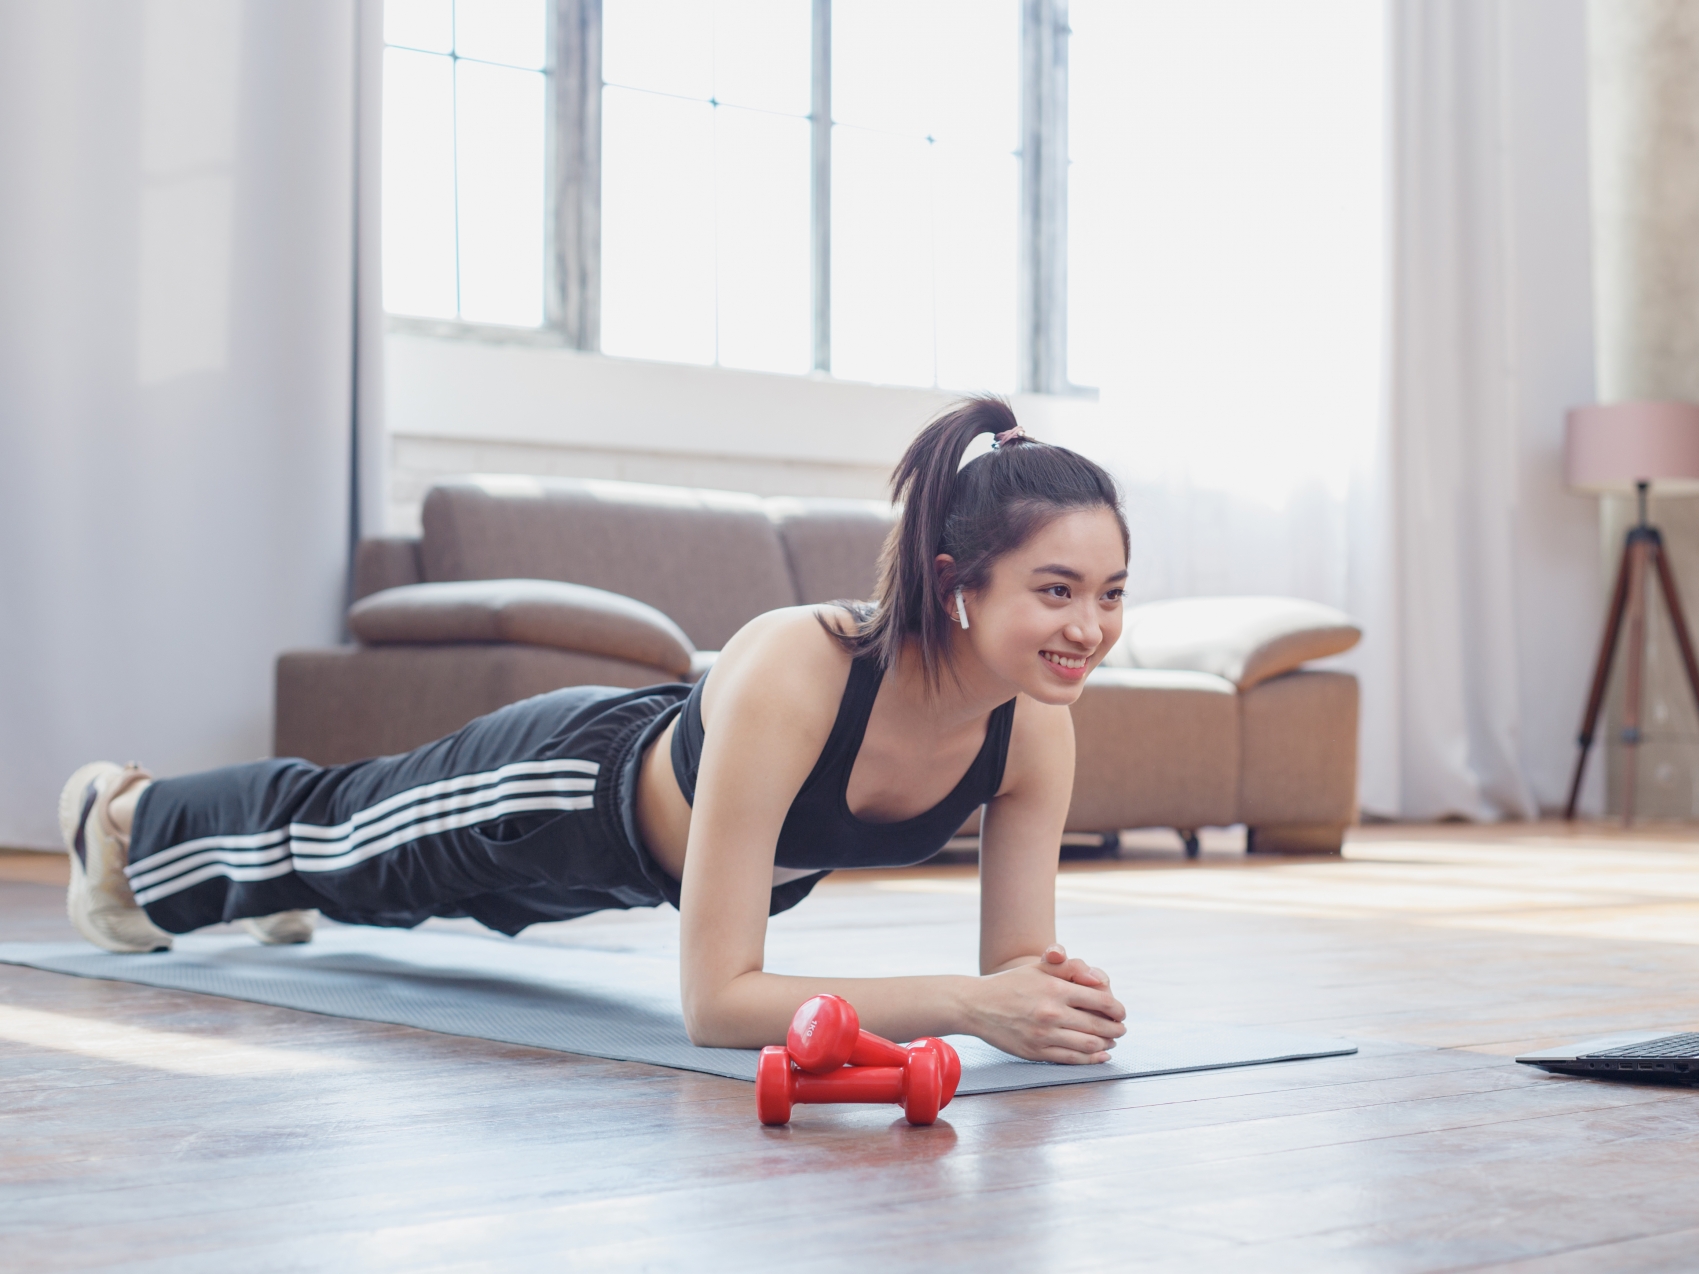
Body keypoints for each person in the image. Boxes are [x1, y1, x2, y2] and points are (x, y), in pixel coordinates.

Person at [58, 398, 1131, 1064]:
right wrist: (966, 1004)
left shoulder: (1032, 727)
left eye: (1112, 592)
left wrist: (1054, 1002)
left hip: (625, 873)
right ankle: (122, 813)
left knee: (368, 886)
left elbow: (1015, 971)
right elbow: (718, 1003)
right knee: (341, 834)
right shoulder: (802, 663)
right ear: (957, 584)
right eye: (1055, 589)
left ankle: (284, 881)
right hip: (560, 793)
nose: (1089, 627)